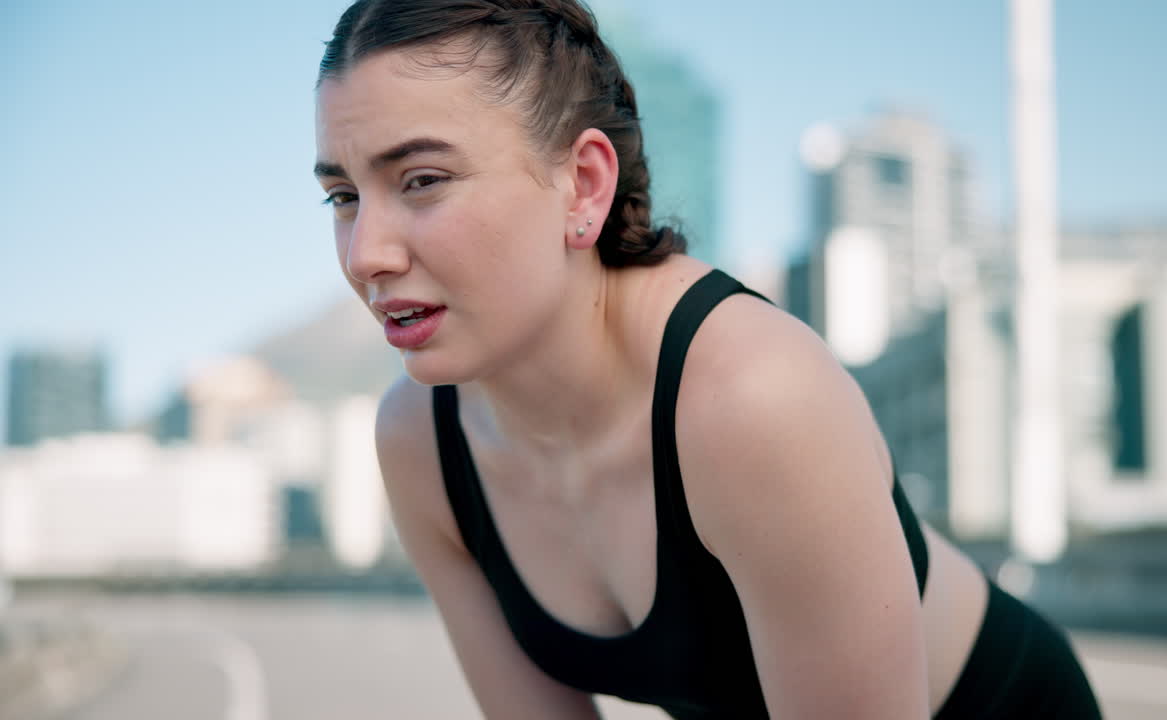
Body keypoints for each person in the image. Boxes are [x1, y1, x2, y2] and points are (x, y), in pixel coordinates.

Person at [312, 1, 1103, 717]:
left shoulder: (751, 397)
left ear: (582, 186)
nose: (365, 254)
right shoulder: (419, 443)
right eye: (344, 196)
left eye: (422, 180)